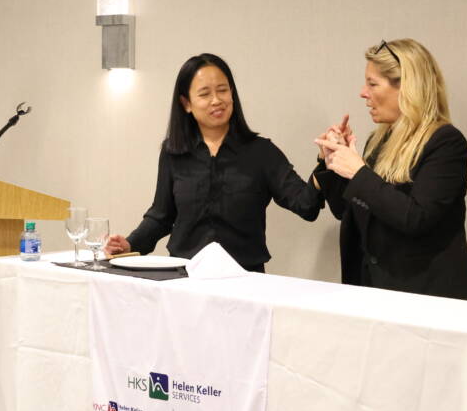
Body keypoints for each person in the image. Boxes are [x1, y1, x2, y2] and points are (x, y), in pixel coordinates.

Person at [105, 53, 322, 272]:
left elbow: (306, 205)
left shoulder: (261, 152)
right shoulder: (173, 152)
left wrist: (324, 164)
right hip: (185, 277)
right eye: (205, 94)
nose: (216, 100)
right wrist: (130, 244)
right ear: (186, 103)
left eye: (222, 90)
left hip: (246, 280)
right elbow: (161, 216)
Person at [313, 38, 467, 301]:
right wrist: (334, 162)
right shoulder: (378, 140)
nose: (363, 93)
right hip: (375, 293)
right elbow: (348, 212)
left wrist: (358, 172)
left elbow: (416, 218)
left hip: (429, 298)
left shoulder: (446, 143)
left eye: (372, 84)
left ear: (406, 87)